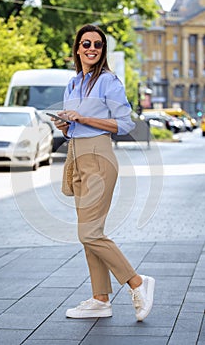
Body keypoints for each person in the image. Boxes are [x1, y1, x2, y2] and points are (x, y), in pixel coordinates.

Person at [52, 24, 155, 321]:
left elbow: (124, 124)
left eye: (97, 44)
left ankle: (137, 282)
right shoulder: (72, 84)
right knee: (88, 235)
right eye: (86, 44)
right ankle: (100, 299)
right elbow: (75, 124)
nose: (92, 49)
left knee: (90, 232)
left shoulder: (109, 82)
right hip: (77, 156)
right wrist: (65, 124)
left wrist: (82, 117)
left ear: (102, 50)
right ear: (77, 47)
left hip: (99, 157)